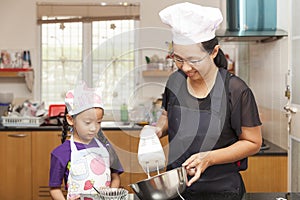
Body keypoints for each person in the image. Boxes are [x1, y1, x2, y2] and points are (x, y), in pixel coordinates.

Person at [150, 2, 262, 200]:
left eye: (193, 60)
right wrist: (157, 130)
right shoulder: (175, 82)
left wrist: (209, 158)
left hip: (221, 191)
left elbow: (253, 142)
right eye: (178, 59)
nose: (185, 68)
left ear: (214, 52)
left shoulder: (235, 90)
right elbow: (167, 116)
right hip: (176, 189)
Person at [49, 81, 124, 200]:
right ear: (70, 120)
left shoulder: (107, 148)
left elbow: (115, 177)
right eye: (87, 122)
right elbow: (55, 189)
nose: (94, 128)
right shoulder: (61, 153)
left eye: (98, 122)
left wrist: (111, 194)